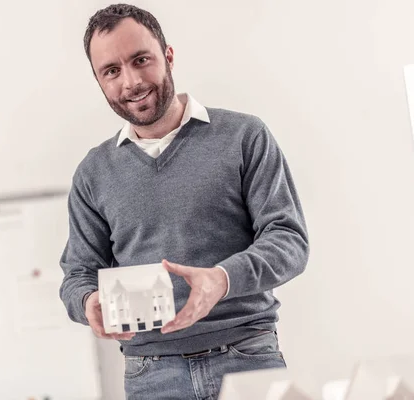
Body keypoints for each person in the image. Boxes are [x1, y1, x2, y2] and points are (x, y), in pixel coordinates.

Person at [59, 4, 309, 399]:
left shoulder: (244, 137)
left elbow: (289, 241)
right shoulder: (94, 173)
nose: (131, 82)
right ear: (99, 80)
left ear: (168, 56)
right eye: (112, 71)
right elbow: (78, 273)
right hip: (150, 375)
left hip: (246, 358)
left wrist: (222, 280)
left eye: (141, 60)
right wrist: (87, 302)